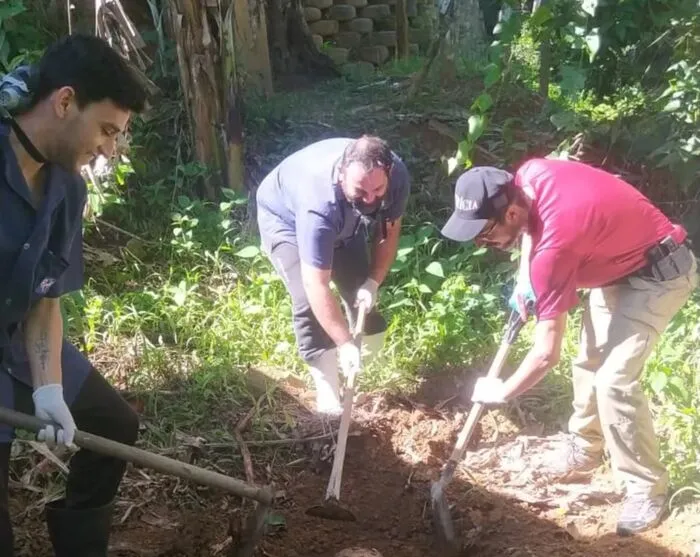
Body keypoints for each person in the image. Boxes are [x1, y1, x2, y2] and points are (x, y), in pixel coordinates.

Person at [440, 160, 697, 536]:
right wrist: (524, 279)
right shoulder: (528, 177)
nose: (483, 243)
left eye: (485, 233)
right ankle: (585, 447)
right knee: (588, 360)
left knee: (614, 381)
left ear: (511, 211)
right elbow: (532, 230)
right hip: (614, 264)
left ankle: (646, 488)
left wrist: (502, 392)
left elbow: (546, 354)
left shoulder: (555, 249)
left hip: (659, 274)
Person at [0, 34, 148, 556]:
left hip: (17, 340)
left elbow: (46, 300)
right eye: (107, 129)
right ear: (65, 102)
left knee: (114, 425)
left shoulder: (67, 189)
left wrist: (48, 389)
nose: (110, 147)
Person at [256, 136, 411, 414]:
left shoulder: (396, 175)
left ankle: (370, 374)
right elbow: (316, 284)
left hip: (343, 223)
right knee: (306, 301)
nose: (370, 199)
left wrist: (373, 280)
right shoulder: (318, 206)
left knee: (359, 288)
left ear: (388, 173)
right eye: (360, 191)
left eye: (377, 190)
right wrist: (343, 343)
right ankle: (328, 387)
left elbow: (389, 230)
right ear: (341, 174)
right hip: (286, 222)